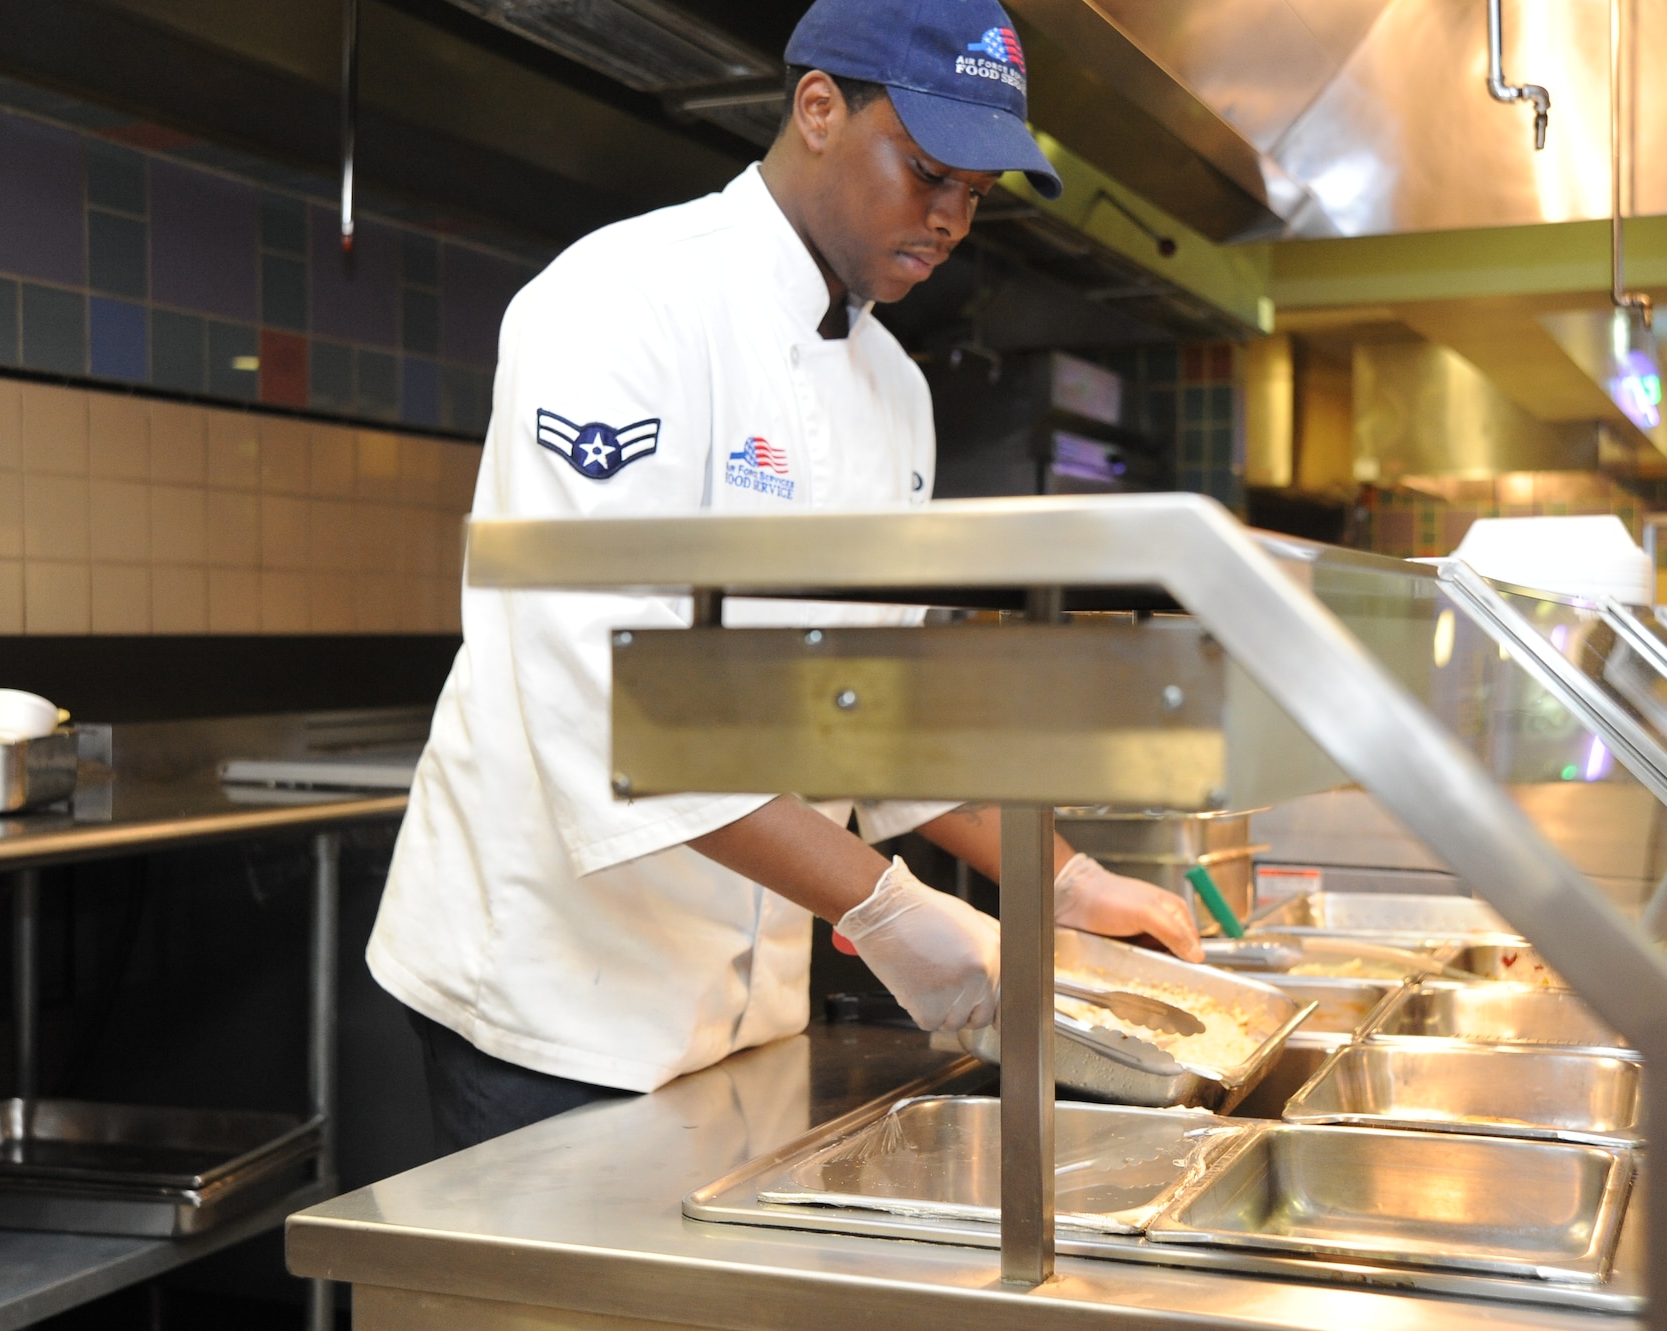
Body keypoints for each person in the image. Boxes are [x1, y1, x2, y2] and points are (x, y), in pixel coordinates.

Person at [367, 0, 1203, 1154]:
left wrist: (1059, 880)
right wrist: (888, 904)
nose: (953, 217)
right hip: (549, 991)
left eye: (977, 193)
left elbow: (866, 703)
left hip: (748, 1003)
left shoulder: (897, 390)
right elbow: (610, 688)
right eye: (926, 172)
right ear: (817, 108)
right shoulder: (622, 301)